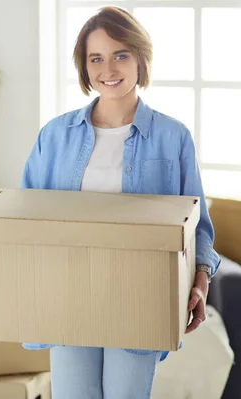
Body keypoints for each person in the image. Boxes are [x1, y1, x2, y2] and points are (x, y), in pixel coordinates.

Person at [20, 6, 221, 399]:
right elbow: (27, 216)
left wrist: (200, 277)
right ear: (84, 65)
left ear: (140, 58)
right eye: (96, 58)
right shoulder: (55, 135)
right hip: (68, 294)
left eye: (120, 55)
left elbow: (196, 222)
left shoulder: (172, 136)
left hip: (141, 295)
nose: (108, 68)